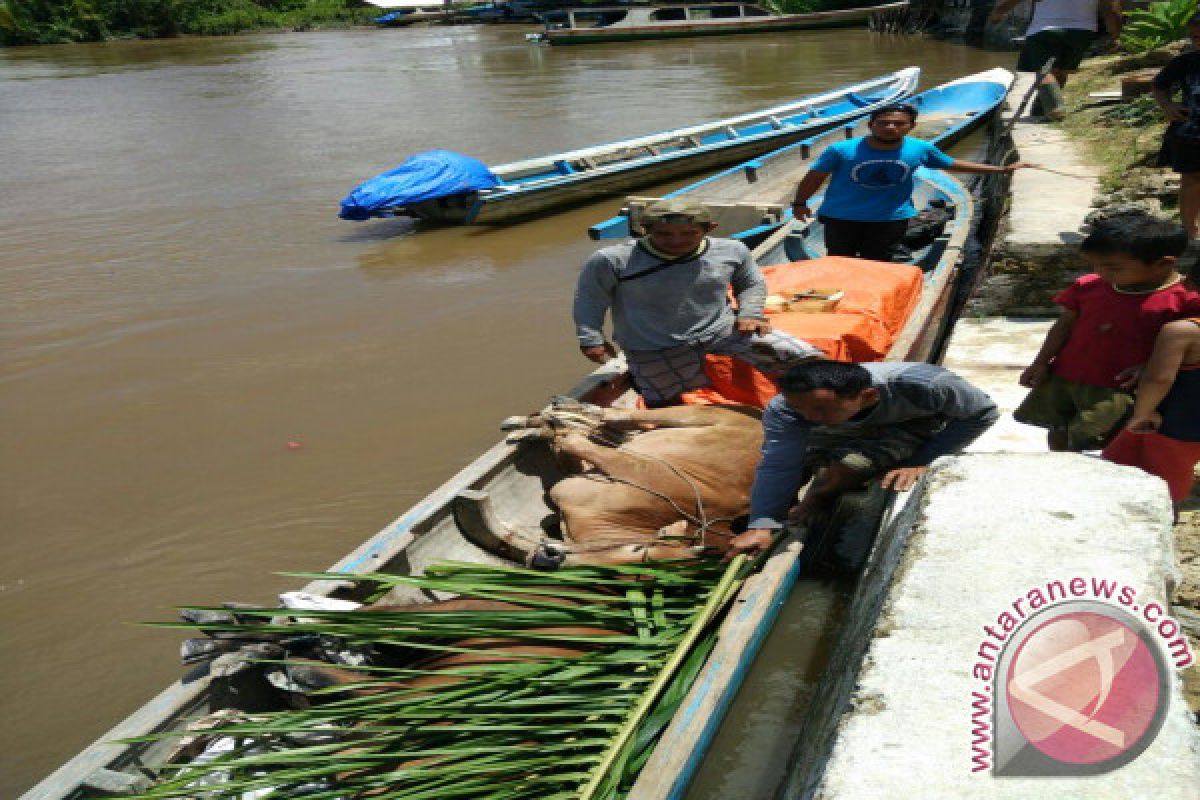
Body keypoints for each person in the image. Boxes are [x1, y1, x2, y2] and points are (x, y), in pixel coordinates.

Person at [724, 360, 999, 560]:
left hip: (907, 425)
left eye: (821, 409)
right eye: (800, 408)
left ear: (868, 396)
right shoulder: (789, 409)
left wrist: (925, 460)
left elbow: (982, 412)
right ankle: (780, 514)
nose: (809, 417)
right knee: (780, 464)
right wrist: (762, 524)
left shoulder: (926, 386)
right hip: (842, 426)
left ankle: (821, 498)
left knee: (851, 466)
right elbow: (779, 463)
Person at [573, 199, 824, 407]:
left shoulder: (732, 250)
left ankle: (800, 410)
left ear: (710, 228)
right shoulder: (612, 260)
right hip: (652, 344)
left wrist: (751, 313)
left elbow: (751, 283)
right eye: (663, 234)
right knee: (664, 403)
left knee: (806, 359)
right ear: (645, 231)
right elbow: (590, 298)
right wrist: (590, 338)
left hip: (722, 331)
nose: (676, 241)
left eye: (688, 233)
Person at [1014, 214, 1200, 452]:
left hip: (1116, 388)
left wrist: (1150, 365)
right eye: (1096, 265)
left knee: (1103, 440)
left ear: (1163, 263)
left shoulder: (1184, 301)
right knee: (1058, 430)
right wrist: (1040, 362)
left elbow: (1188, 346)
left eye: (1112, 268)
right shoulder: (1088, 287)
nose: (1100, 273)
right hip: (1066, 376)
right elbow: (1063, 326)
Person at [789, 103, 1033, 261]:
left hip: (890, 219)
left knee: (879, 263)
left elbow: (950, 164)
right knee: (840, 261)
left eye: (898, 123)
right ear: (871, 125)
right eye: (883, 123)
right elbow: (814, 177)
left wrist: (1001, 169)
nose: (890, 128)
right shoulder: (841, 150)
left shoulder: (921, 148)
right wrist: (800, 203)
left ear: (911, 126)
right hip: (842, 217)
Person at [1103, 248, 1200, 515]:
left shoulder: (1182, 332)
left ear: (1189, 283)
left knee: (1166, 472)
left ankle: (1166, 514)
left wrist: (1143, 413)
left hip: (1182, 421)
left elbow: (1159, 379)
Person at [989, 0, 1123, 120]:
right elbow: (1111, 8)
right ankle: (1041, 108)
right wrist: (1116, 35)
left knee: (1045, 72)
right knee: (1061, 71)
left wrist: (999, 12)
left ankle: (1054, 107)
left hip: (1044, 30)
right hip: (1082, 32)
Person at [1151, 13, 1200, 240]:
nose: (1197, 40)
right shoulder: (1186, 62)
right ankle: (1190, 230)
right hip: (1193, 131)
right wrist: (1168, 106)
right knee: (1191, 179)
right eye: (1194, 36)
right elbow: (1159, 85)